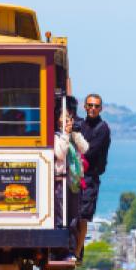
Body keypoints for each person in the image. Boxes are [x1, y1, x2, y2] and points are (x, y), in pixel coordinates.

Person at [76, 93, 111, 259]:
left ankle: (77, 252)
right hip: (76, 175)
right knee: (73, 213)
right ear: (85, 107)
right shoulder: (80, 124)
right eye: (90, 105)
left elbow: (89, 152)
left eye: (96, 106)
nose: (93, 108)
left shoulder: (103, 129)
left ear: (101, 108)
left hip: (90, 177)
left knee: (84, 215)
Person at [54, 104, 88, 261]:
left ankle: (72, 250)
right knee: (61, 217)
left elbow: (85, 148)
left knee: (74, 218)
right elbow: (60, 153)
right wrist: (66, 134)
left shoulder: (72, 134)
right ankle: (60, 249)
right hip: (60, 181)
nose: (66, 119)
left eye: (69, 116)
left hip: (73, 182)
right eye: (63, 116)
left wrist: (75, 133)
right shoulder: (55, 136)